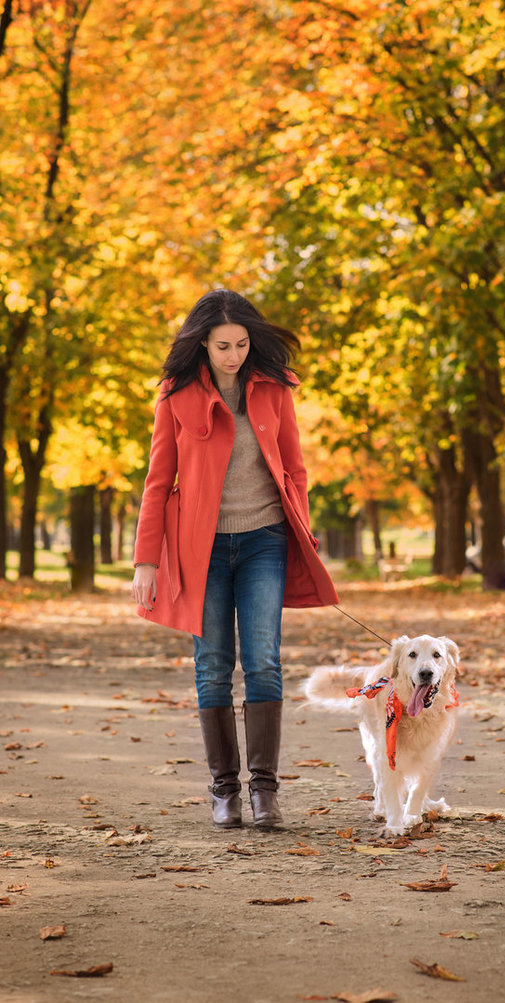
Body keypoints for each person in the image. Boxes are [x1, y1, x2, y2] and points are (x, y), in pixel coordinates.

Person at [131, 289, 338, 830]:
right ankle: (225, 791)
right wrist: (144, 560)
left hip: (265, 539)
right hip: (202, 549)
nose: (234, 355)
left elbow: (294, 469)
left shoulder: (274, 390)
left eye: (242, 344)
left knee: (264, 660)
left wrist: (302, 526)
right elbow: (157, 483)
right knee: (213, 665)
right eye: (223, 345)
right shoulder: (176, 395)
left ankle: (265, 792)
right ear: (203, 343)